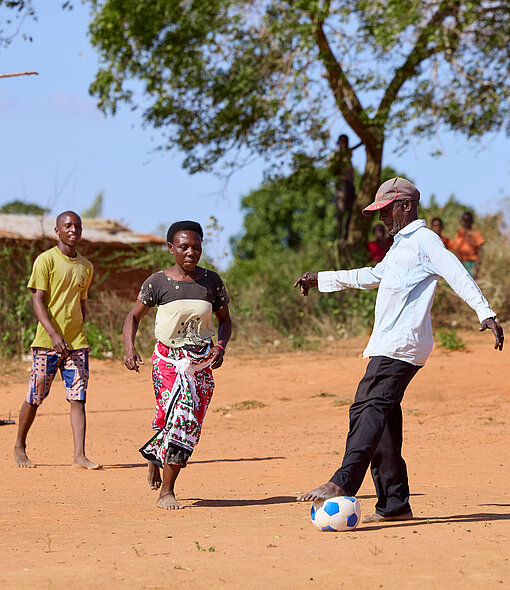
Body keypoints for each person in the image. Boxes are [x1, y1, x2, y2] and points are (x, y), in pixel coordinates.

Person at [293, 177, 503, 523]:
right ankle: (395, 505)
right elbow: (372, 275)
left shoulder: (425, 241)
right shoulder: (400, 246)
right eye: (378, 213)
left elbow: (456, 273)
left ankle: (343, 481)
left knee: (366, 407)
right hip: (390, 343)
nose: (382, 219)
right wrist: (322, 278)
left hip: (401, 345)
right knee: (384, 420)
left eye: (386, 210)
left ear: (405, 205)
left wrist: (485, 312)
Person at [123, 220, 232, 510]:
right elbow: (133, 317)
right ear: (171, 248)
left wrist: (220, 346)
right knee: (180, 419)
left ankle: (155, 456)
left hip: (200, 365)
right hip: (167, 363)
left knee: (181, 420)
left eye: (196, 247)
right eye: (184, 247)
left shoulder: (211, 282)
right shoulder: (157, 283)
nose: (190, 252)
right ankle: (167, 492)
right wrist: (130, 349)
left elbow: (225, 320)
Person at [14, 211, 100, 470]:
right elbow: (37, 300)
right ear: (57, 231)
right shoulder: (46, 261)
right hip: (46, 343)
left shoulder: (86, 266)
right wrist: (53, 335)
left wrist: (77, 335)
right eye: (68, 226)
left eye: (77, 226)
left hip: (76, 345)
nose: (73, 230)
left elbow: (81, 305)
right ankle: (19, 444)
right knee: (35, 395)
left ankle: (79, 456)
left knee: (78, 398)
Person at [330, 134, 362, 243]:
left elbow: (352, 149)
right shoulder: (336, 156)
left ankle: (346, 235)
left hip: (349, 184)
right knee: (341, 211)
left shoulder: (347, 152)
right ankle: (340, 237)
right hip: (341, 183)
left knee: (351, 210)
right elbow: (333, 170)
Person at [452, 211, 484, 278]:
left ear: (471, 221)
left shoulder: (476, 233)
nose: (464, 222)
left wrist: (477, 268)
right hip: (461, 263)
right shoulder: (459, 233)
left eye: (467, 220)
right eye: (463, 219)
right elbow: (456, 249)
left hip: (473, 263)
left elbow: (480, 251)